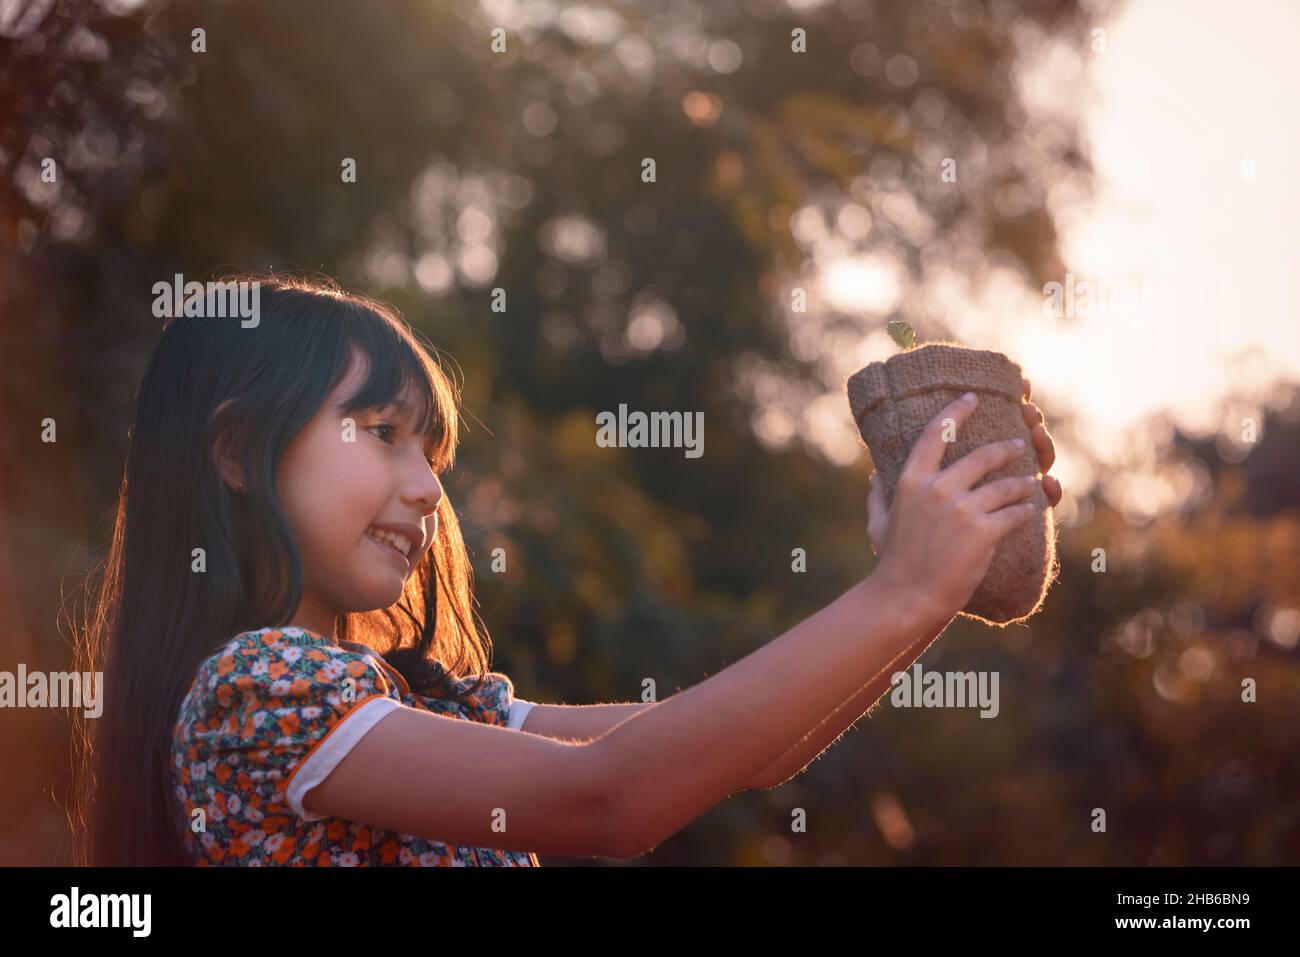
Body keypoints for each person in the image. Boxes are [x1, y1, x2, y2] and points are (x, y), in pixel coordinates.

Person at [72, 273, 1060, 865]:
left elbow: (744, 754)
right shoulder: (258, 693)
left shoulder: (421, 707)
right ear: (236, 451)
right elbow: (610, 802)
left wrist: (929, 576)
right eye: (380, 434)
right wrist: (902, 593)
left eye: (434, 455)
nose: (426, 490)